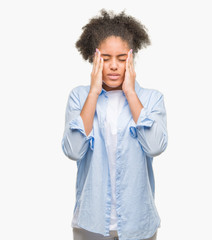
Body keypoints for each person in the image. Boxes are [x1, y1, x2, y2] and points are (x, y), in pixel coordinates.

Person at [61, 9, 168, 240]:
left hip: (139, 224)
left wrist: (130, 92)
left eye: (121, 59)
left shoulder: (151, 99)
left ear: (131, 57)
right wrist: (93, 92)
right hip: (91, 224)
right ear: (93, 57)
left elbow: (155, 147)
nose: (113, 66)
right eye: (105, 58)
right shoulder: (79, 97)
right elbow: (73, 150)